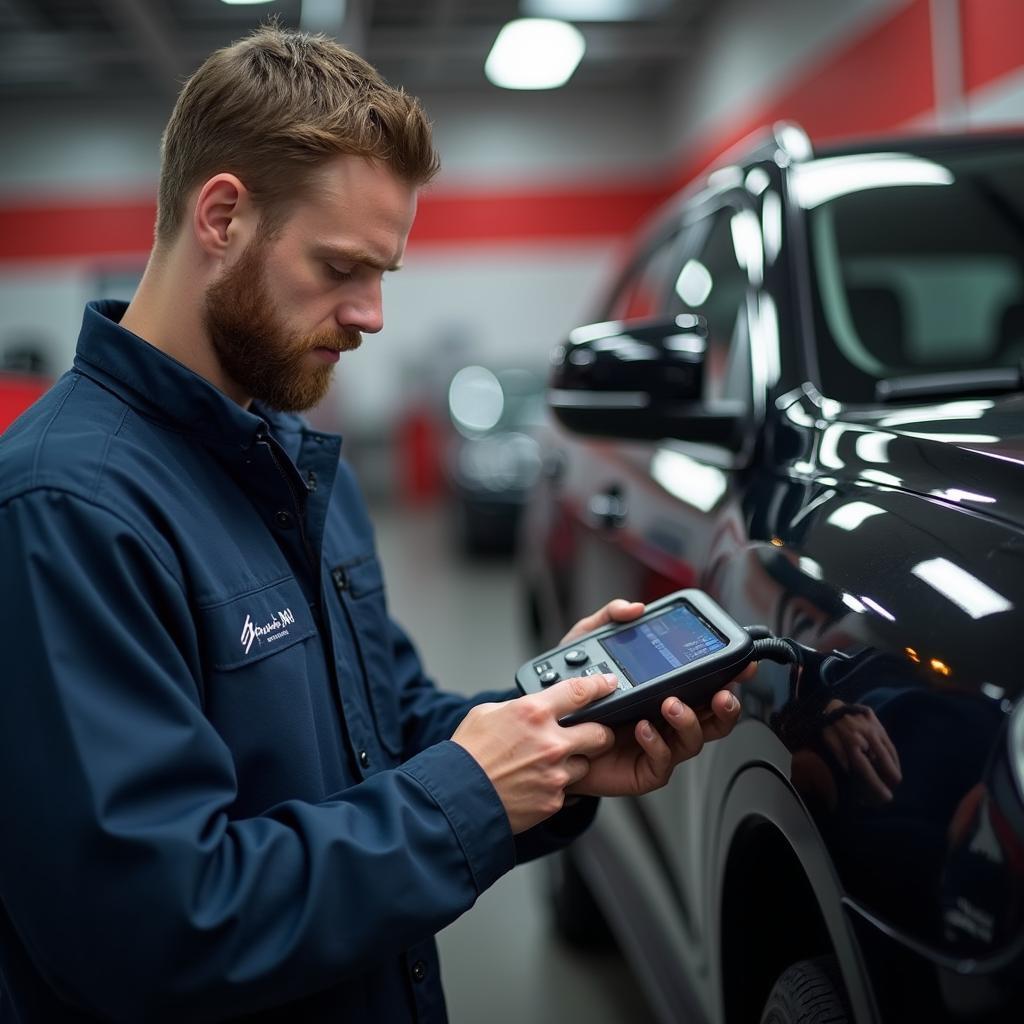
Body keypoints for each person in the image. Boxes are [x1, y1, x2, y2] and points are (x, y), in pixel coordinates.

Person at [0, 26, 748, 1023]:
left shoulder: (294, 463)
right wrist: (473, 794)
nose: (372, 314)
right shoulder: (64, 511)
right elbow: (153, 926)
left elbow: (383, 736)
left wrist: (553, 743)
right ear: (220, 215)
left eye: (384, 272)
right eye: (342, 266)